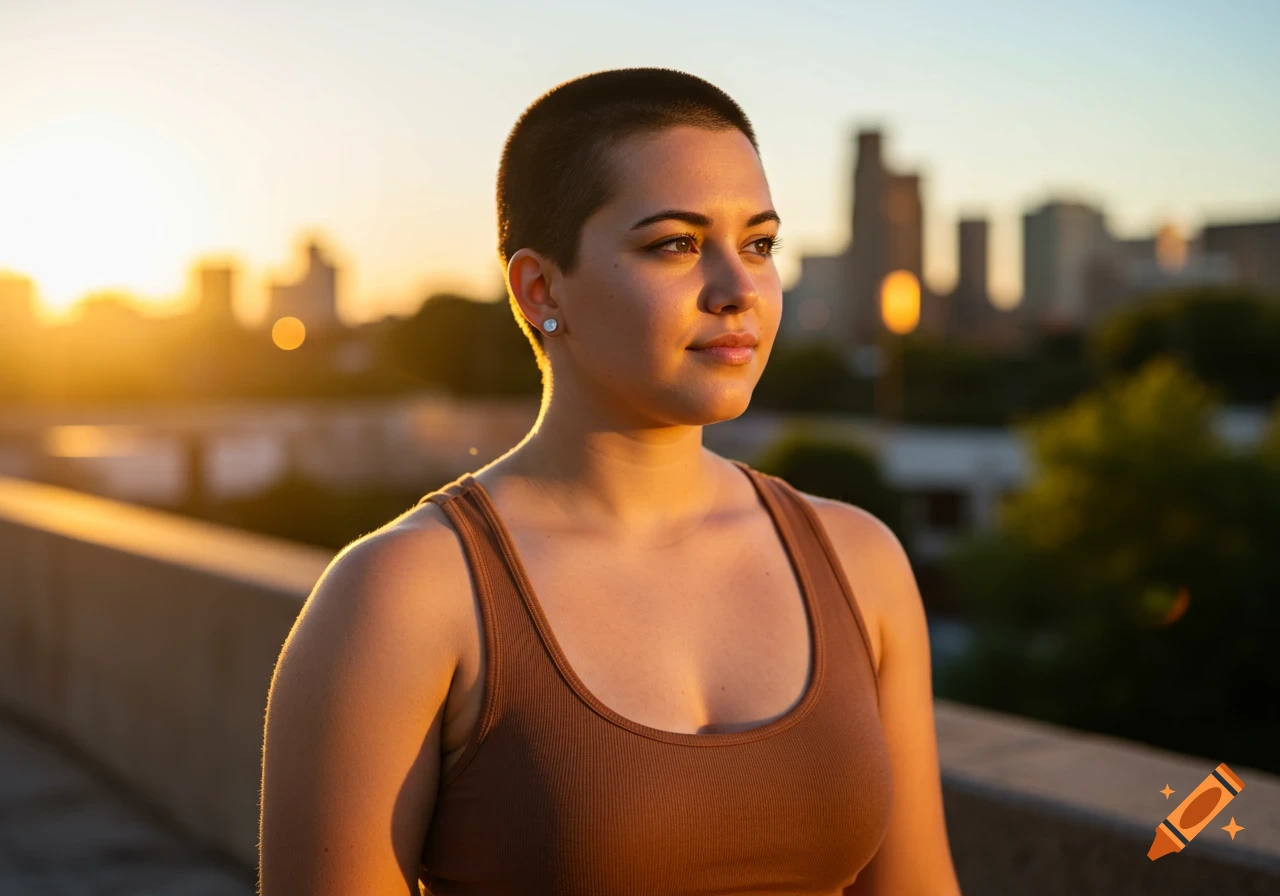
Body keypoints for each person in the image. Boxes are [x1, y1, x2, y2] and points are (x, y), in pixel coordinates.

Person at [259, 67, 961, 895]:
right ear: (540, 288)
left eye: (760, 244)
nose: (739, 291)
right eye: (676, 244)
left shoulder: (858, 561)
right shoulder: (404, 594)